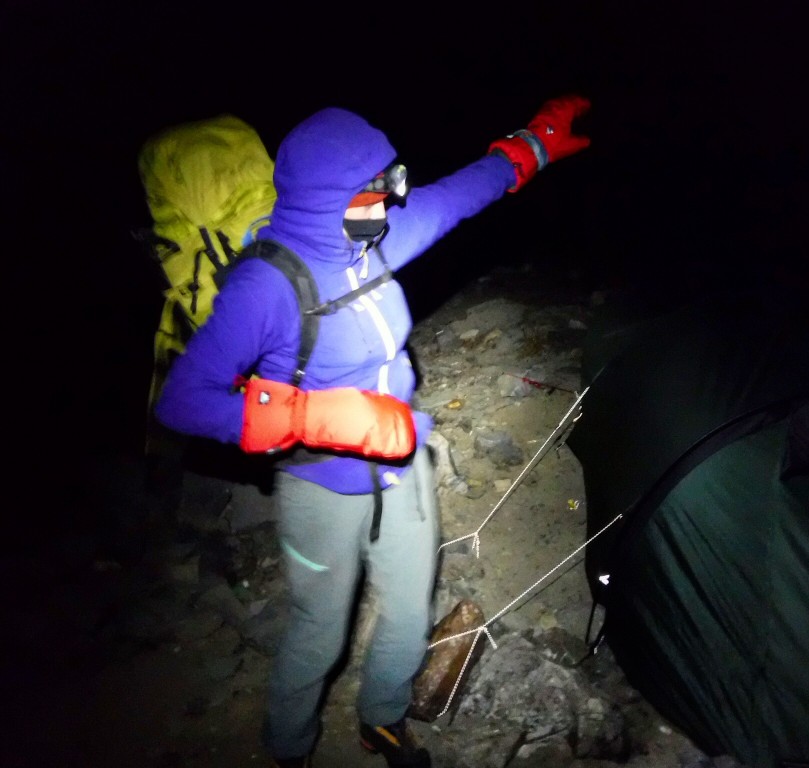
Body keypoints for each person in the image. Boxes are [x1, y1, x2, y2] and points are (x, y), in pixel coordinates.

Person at [154, 95, 591, 768]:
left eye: (392, 184)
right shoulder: (267, 287)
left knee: (410, 612)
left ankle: (382, 721)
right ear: (327, 198)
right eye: (375, 191)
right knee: (318, 631)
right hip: (320, 486)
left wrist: (530, 145)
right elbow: (181, 400)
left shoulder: (375, 239)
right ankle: (289, 747)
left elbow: (459, 195)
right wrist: (312, 415)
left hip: (401, 465)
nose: (390, 204)